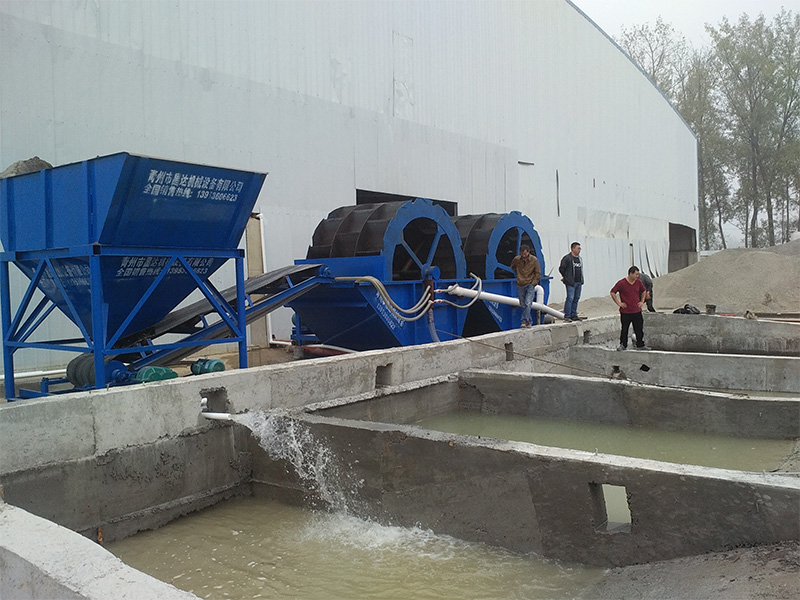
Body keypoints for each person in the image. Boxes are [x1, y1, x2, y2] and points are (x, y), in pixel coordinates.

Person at [610, 265, 649, 350]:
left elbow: (643, 290)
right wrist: (619, 303)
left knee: (639, 329)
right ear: (630, 274)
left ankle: (640, 344)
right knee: (625, 329)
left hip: (636, 310)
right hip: (626, 311)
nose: (637, 276)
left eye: (638, 274)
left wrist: (642, 301)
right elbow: (613, 292)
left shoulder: (638, 282)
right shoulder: (621, 283)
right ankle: (623, 345)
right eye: (636, 274)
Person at [510, 244, 541, 328]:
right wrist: (519, 274)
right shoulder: (517, 259)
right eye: (521, 254)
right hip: (520, 284)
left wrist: (533, 283)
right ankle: (529, 321)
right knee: (523, 304)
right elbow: (512, 267)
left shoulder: (534, 260)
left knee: (528, 302)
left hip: (530, 284)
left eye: (524, 253)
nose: (523, 255)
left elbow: (538, 273)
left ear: (528, 252)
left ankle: (524, 321)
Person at [559, 242, 584, 322]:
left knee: (576, 298)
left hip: (579, 281)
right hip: (570, 282)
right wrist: (566, 278)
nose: (579, 250)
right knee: (570, 298)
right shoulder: (567, 258)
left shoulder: (580, 259)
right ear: (573, 249)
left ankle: (574, 315)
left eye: (580, 248)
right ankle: (567, 315)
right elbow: (561, 269)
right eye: (578, 248)